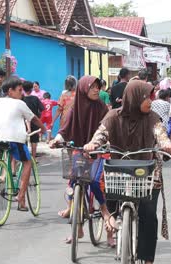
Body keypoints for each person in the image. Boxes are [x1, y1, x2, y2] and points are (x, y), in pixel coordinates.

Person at [84, 80, 171, 263]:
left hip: (148, 173)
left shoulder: (152, 118)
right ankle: (112, 220)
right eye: (146, 97)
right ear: (134, 98)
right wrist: (93, 143)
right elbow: (101, 133)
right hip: (120, 171)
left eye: (151, 97)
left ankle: (148, 258)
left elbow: (160, 134)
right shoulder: (112, 116)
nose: (150, 101)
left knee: (148, 215)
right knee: (110, 195)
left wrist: (166, 144)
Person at [49, 75, 114, 246]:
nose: (95, 90)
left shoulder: (102, 107)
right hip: (79, 150)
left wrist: (102, 143)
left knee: (95, 182)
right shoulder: (74, 108)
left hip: (98, 152)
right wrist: (56, 139)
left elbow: (107, 128)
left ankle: (105, 213)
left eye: (97, 87)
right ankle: (77, 229)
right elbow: (64, 129)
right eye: (92, 86)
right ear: (83, 88)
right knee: (72, 185)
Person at [0, 77, 46, 210]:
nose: (22, 93)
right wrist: (43, 128)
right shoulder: (19, 104)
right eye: (19, 90)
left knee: (8, 153)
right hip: (14, 138)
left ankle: (9, 180)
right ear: (10, 91)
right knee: (27, 162)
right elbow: (34, 119)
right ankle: (21, 195)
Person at [23, 81, 45, 159]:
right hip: (34, 121)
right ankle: (33, 158)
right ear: (31, 89)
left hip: (24, 122)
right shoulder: (35, 98)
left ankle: (24, 158)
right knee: (34, 140)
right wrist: (39, 117)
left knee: (24, 140)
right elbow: (42, 109)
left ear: (23, 89)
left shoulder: (22, 99)